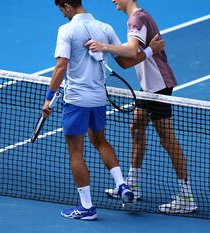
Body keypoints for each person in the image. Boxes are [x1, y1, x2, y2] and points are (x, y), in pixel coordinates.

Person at [85, 0, 197, 214]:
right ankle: (133, 185)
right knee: (136, 128)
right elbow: (131, 59)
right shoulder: (139, 17)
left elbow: (130, 50)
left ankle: (187, 196)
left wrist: (104, 46)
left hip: (158, 86)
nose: (112, 0)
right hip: (149, 88)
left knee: (167, 139)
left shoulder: (137, 19)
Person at [44, 0, 139, 220]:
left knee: (76, 152)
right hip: (98, 100)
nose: (61, 14)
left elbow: (61, 66)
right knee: (100, 141)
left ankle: (87, 207)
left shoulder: (66, 30)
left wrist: (49, 99)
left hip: (76, 101)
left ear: (67, 6)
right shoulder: (105, 28)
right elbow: (126, 60)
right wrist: (151, 52)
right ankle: (122, 185)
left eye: (61, 9)